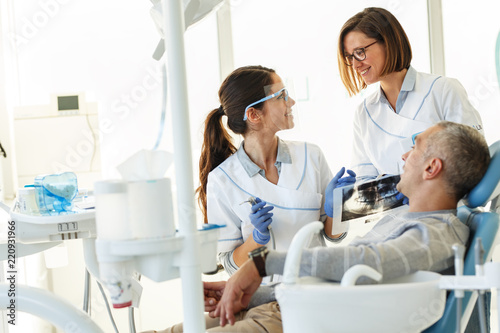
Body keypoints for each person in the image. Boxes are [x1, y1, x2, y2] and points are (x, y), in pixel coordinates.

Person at [209, 121, 491, 330]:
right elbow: (336, 276)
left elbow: (367, 262)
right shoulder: (402, 216)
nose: (404, 157)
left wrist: (263, 263)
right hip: (288, 306)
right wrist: (249, 295)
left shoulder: (437, 234)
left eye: (414, 148)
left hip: (306, 318)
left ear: (431, 168)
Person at [195, 65, 334, 276]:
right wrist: (256, 239)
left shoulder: (311, 156)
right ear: (253, 114)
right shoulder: (222, 180)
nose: (292, 102)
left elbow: (334, 235)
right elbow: (229, 263)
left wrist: (339, 208)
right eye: (281, 96)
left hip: (317, 286)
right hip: (263, 296)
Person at [337, 7, 484, 179]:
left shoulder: (443, 90)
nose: (355, 65)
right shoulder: (364, 113)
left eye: (360, 52)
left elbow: (474, 160)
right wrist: (347, 196)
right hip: (392, 206)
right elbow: (365, 178)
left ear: (388, 42)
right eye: (349, 57)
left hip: (446, 205)